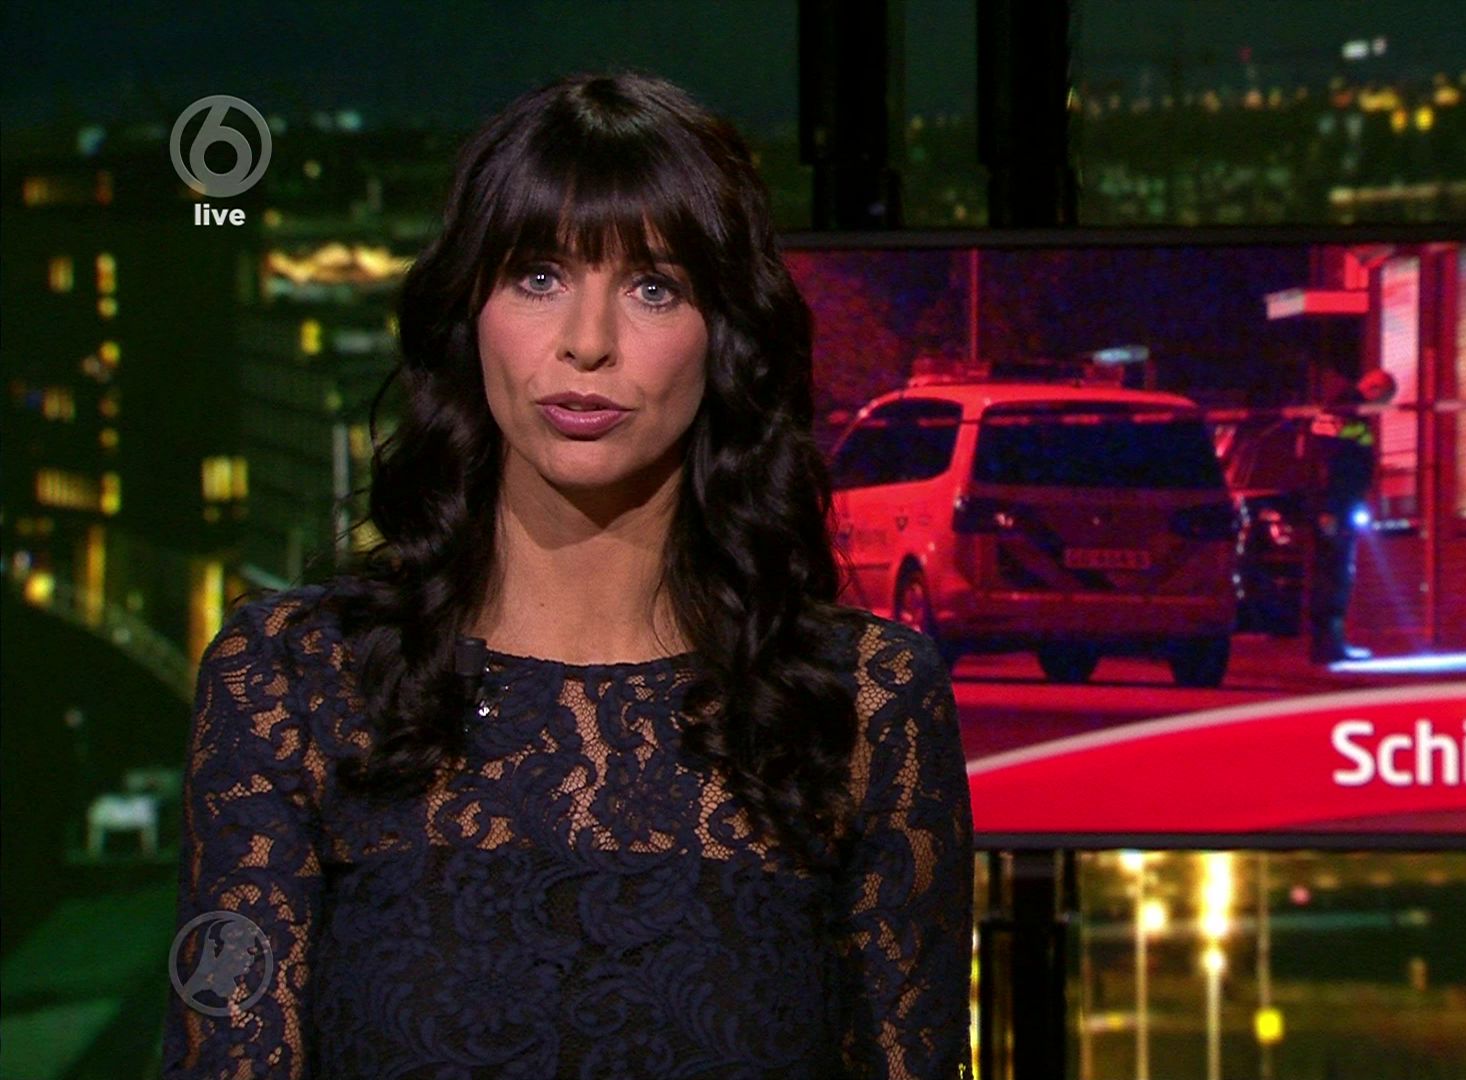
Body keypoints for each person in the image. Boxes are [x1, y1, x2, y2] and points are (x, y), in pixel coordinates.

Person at [162, 72, 974, 1078]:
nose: (588, 343)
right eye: (538, 277)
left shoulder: (864, 705)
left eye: (653, 288)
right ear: (470, 311)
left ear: (725, 335)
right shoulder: (293, 682)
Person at [1306, 368, 1398, 665]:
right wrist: (1329, 508)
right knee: (1333, 571)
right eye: (1382, 400)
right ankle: (1328, 645)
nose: (1380, 409)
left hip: (1339, 504)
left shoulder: (1348, 410)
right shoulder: (1344, 409)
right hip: (1335, 505)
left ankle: (1330, 643)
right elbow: (1328, 459)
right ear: (1374, 389)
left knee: (1335, 570)